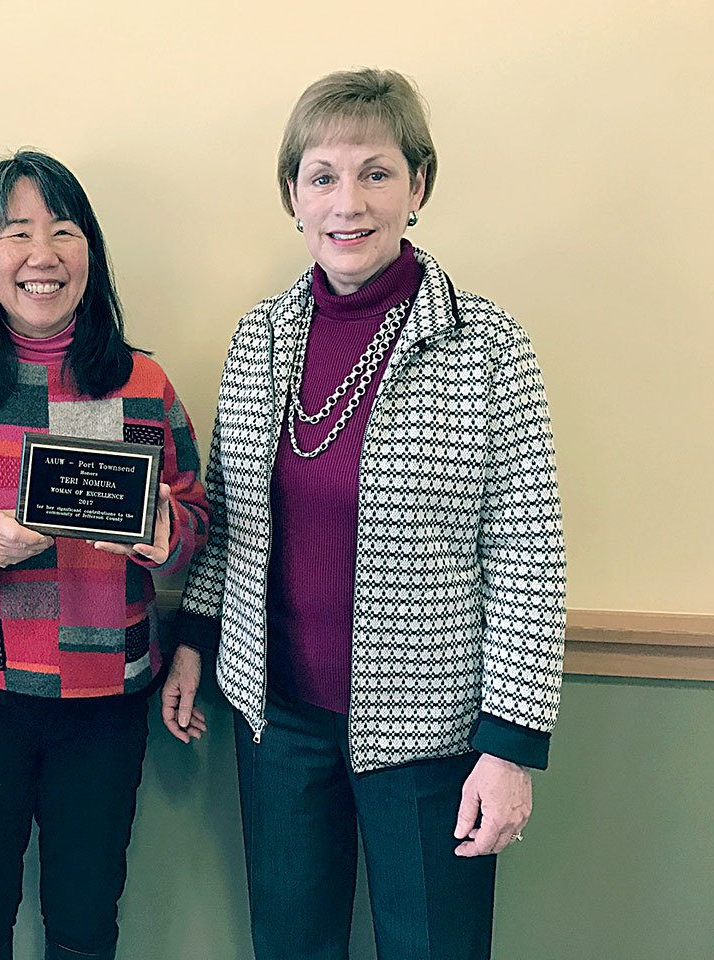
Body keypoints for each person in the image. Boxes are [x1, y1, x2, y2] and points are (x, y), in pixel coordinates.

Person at [163, 69, 566, 960]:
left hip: (433, 733)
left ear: (418, 185)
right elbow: (228, 519)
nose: (348, 202)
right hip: (279, 723)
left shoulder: (487, 346)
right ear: (293, 196)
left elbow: (529, 557)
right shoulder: (260, 337)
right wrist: (192, 640)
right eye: (323, 176)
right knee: (291, 945)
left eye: (375, 173)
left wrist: (508, 749)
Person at [0, 150, 210, 960]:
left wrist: (167, 536)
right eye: (16, 233)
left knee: (86, 930)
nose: (42, 254)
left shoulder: (144, 384)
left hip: (105, 701)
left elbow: (198, 520)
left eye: (63, 231)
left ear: (89, 251)